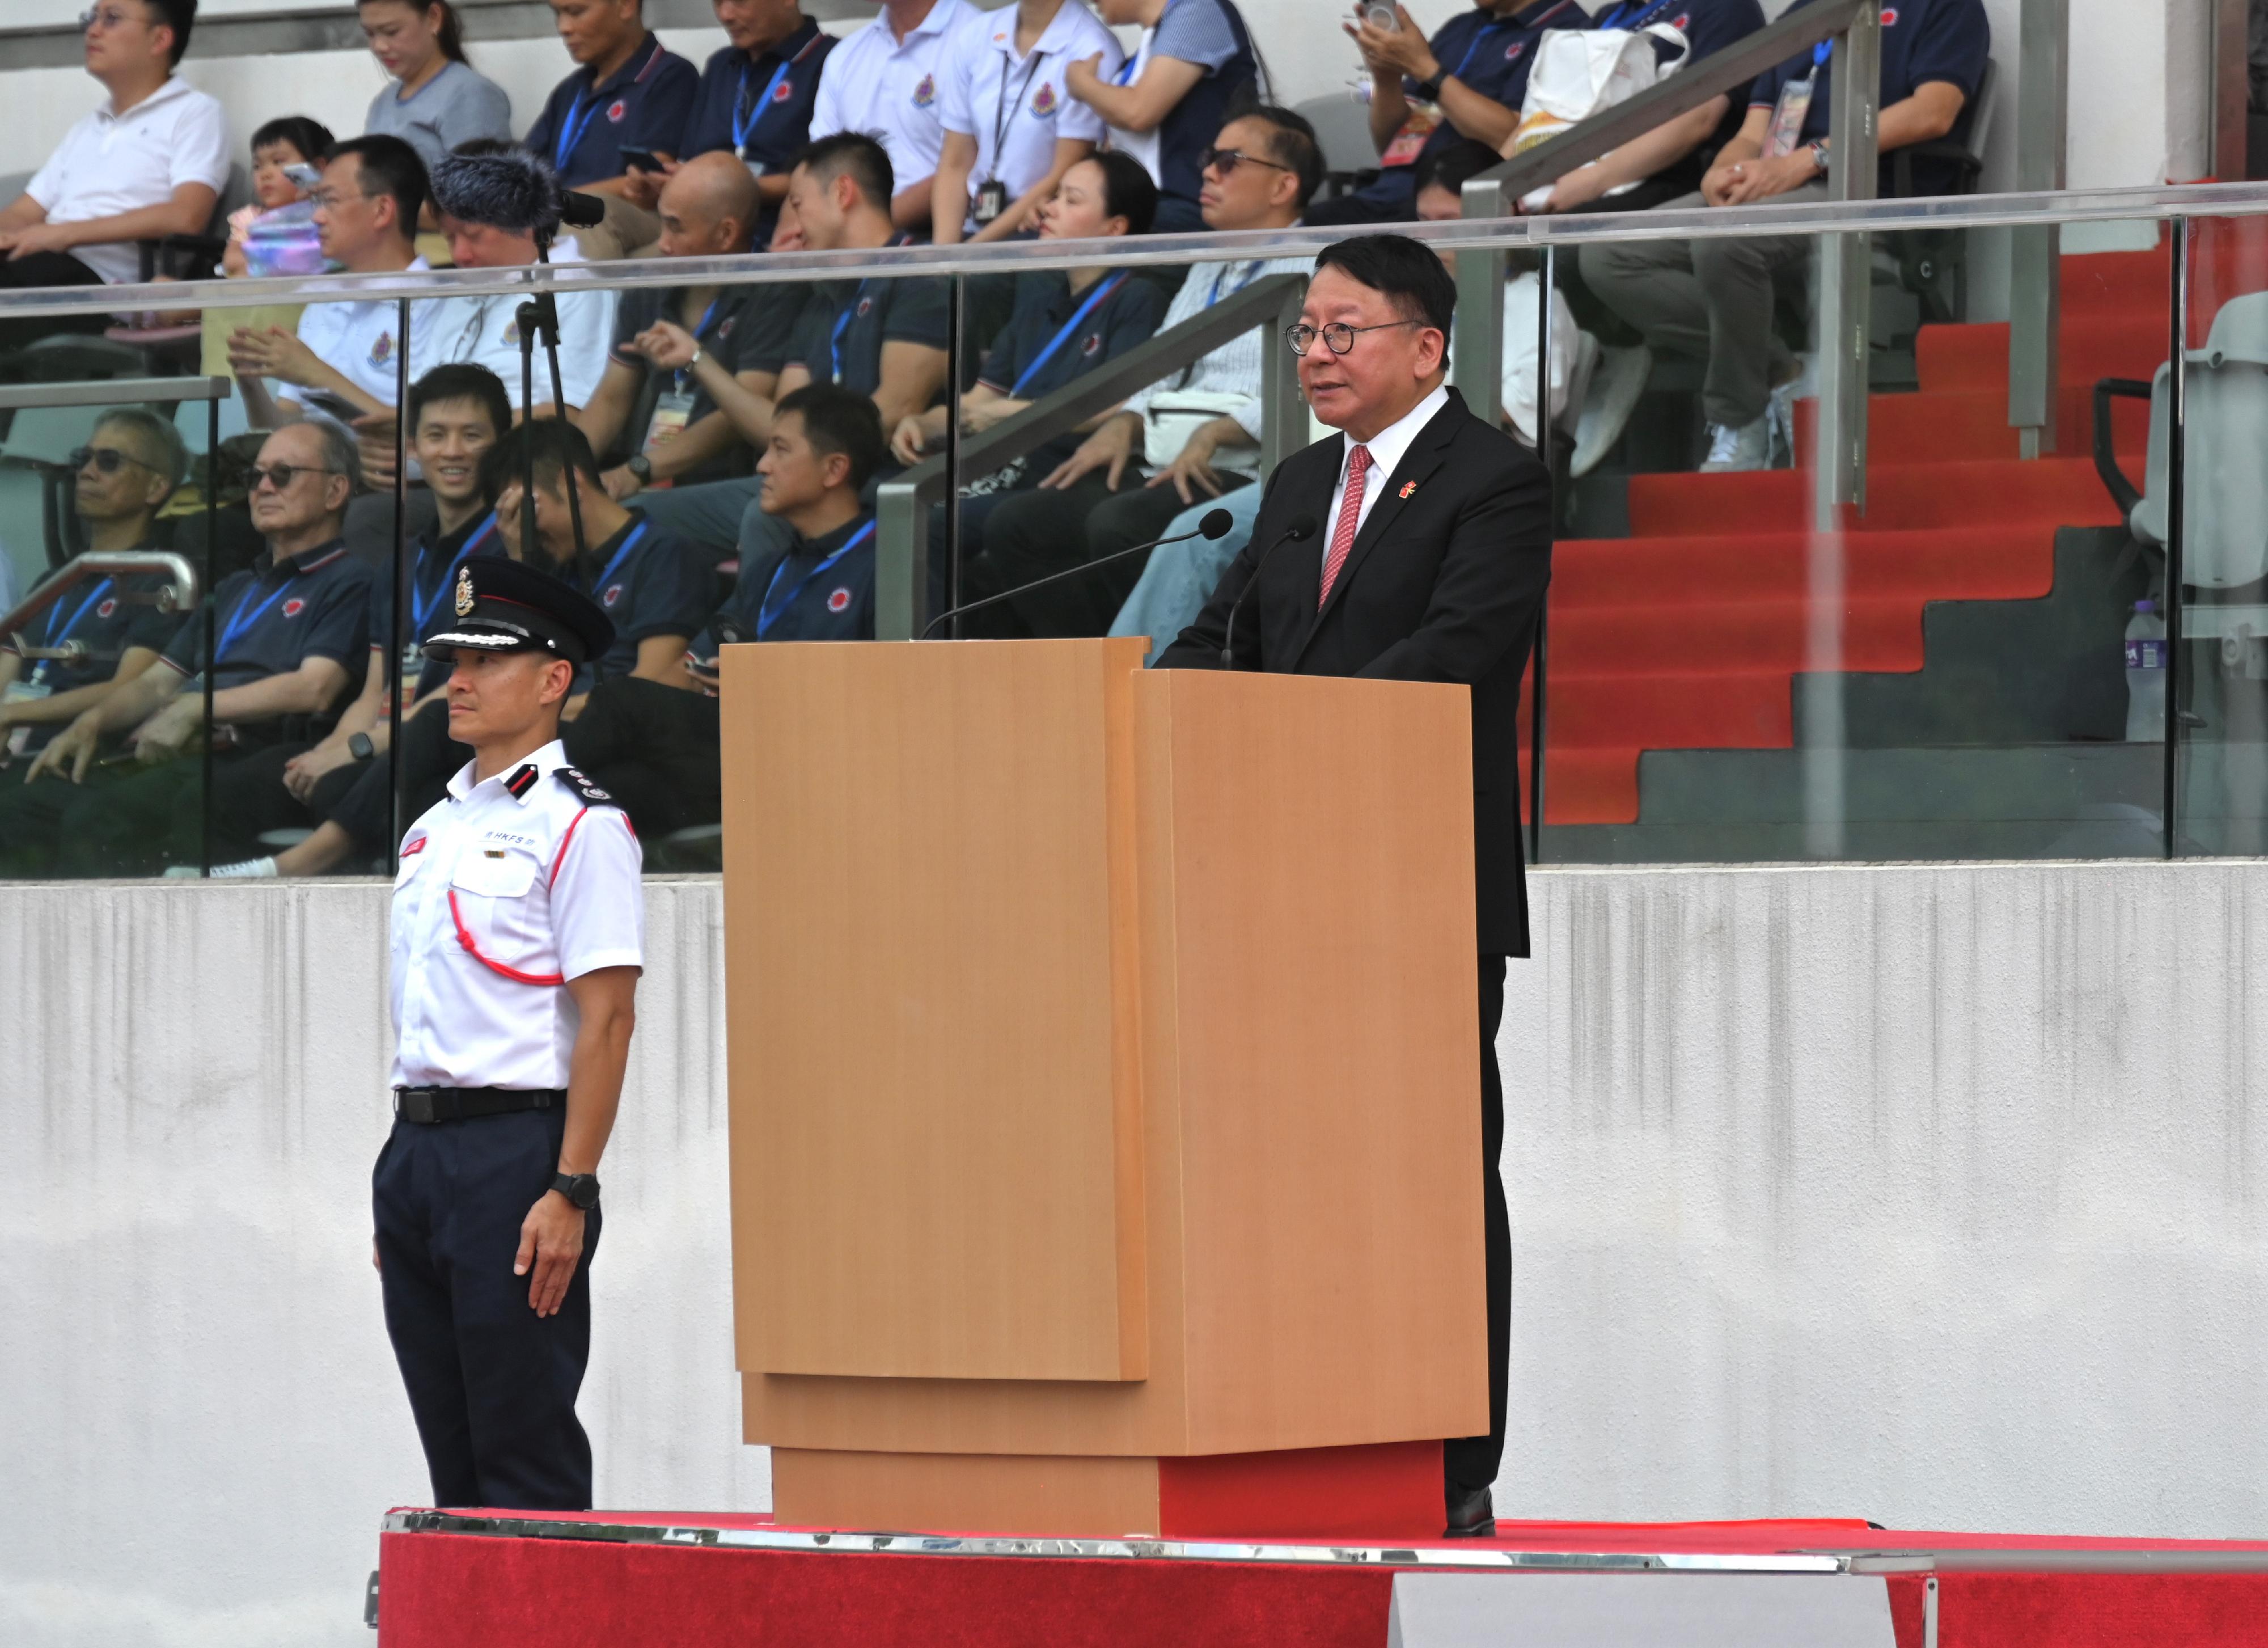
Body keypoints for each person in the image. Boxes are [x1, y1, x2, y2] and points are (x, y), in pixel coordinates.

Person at [1156, 233, 1551, 1540]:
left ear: (1427, 345)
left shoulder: (1493, 482)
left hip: (1417, 877)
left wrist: (1284, 722)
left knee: (1432, 1170)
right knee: (1296, 1168)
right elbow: (1235, 639)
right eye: (1305, 334)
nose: (1316, 355)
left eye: (1344, 331)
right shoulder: (1295, 483)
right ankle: (1313, 1422)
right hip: (1278, 885)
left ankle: (1455, 1456)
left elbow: (1461, 649)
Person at [375, 553, 642, 1514]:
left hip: (516, 1155)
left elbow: (607, 1019)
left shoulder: (581, 826)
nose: (456, 680)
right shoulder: (436, 824)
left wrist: (570, 1186)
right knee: (453, 1454)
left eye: (486, 661)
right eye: (452, 659)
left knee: (522, 1445)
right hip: (420, 1154)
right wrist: (408, 1175)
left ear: (553, 680)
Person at [1580, 0, 1990, 471]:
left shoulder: (1945, 5)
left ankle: (1740, 415)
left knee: (1724, 242)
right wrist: (1726, 170)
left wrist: (1808, 160)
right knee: (1609, 255)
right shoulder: (1802, 14)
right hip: (1780, 185)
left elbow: (1933, 113)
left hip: (1870, 189)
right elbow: (1754, 134)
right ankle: (1783, 369)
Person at [961, 106, 1318, 638]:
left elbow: (1310, 383)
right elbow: (1159, 364)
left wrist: (1221, 430)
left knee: (1118, 526)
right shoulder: (1209, 262)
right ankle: (1091, 665)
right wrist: (1124, 422)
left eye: (1229, 162)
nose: (1208, 173)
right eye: (1207, 159)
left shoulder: (1324, 265)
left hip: (1249, 462)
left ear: (1283, 185)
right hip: (1165, 452)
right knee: (1019, 526)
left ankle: (1157, 664)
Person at [7, 421, 373, 878]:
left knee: (103, 818)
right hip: (178, 746)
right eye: (254, 477)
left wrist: (197, 708)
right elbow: (157, 682)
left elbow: (314, 688)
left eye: (282, 475)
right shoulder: (238, 585)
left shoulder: (351, 579)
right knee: (23, 802)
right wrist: (92, 722)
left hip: (266, 750)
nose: (262, 487)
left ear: (336, 490)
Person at [192, 365, 512, 880]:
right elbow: (374, 692)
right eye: (435, 435)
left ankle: (287, 872)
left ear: (500, 446)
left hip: (463, 744)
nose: (452, 451)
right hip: (388, 738)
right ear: (412, 448)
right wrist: (323, 753)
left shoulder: (509, 552)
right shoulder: (401, 561)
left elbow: (473, 690)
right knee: (247, 786)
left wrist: (356, 749)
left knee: (347, 783)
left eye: (471, 435)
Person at [631, 133, 949, 554]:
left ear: (842, 192)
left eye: (798, 204)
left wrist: (795, 469)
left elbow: (891, 414)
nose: (793, 227)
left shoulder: (918, 275)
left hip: (884, 483)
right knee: (629, 516)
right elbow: (780, 425)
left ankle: (750, 622)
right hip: (804, 480)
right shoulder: (820, 295)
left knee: (767, 515)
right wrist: (697, 360)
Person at [894, 151, 1163, 578]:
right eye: (1054, 196)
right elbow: (980, 400)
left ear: (1115, 228)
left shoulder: (1136, 299)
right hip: (1004, 463)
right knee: (884, 498)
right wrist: (925, 423)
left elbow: (1114, 406)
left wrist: (998, 416)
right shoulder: (1041, 303)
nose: (1049, 208)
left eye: (1071, 201)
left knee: (927, 523)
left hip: (1060, 472)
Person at [0, 0, 228, 350]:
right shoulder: (89, 127)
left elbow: (187, 216)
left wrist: (64, 235)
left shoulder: (195, 113)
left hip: (101, 287)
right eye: (92, 18)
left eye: (112, 19)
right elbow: (24, 212)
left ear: (159, 39)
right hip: (38, 266)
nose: (93, 30)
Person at [575, 154, 794, 508]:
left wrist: (637, 471)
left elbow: (735, 419)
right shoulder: (649, 288)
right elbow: (612, 399)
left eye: (676, 227)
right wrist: (563, 470)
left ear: (726, 234)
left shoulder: (773, 295)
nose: (662, 243)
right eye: (661, 223)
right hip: (642, 478)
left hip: (722, 489)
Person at [0, 412, 190, 779]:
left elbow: (128, 688)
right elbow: (8, 662)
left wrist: (12, 714)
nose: (87, 472)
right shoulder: (55, 579)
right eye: (82, 459)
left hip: (77, 761)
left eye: (109, 462)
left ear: (156, 488)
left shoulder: (160, 583)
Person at [1311, 0, 1590, 228]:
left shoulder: (1570, 32)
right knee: (1308, 228)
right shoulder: (1461, 28)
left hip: (1450, 207)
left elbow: (1518, 139)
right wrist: (1387, 79)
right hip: (1384, 193)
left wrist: (1426, 69)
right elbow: (1391, 145)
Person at [226, 134, 431, 431]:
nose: (317, 217)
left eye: (329, 201)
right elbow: (285, 429)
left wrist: (316, 373)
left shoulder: (439, 306)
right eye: (316, 202)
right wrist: (251, 384)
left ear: (382, 210)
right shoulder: (325, 303)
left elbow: (430, 437)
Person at [1513, 0, 1766, 217]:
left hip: (1668, 174)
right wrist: (1501, 186)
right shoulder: (1609, 16)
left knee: (1559, 235)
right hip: (1582, 165)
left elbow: (1700, 121)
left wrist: (1596, 179)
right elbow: (1547, 111)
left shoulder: (1726, 7)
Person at [692, 383, 886, 661]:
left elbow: (897, 686)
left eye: (780, 450)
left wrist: (759, 687)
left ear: (834, 470)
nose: (763, 466)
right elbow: (698, 661)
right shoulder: (770, 569)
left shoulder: (889, 571)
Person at [929, 0, 1122, 245]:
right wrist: (943, 256)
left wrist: (970, 254)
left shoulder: (1092, 47)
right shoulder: (978, 33)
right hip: (973, 227)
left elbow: (1065, 170)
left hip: (1040, 229)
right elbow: (955, 163)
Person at [1065, 0, 1258, 234]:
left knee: (1053, 259)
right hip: (1144, 206)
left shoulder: (1199, 8)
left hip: (1189, 204)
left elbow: (1138, 112)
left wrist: (1081, 83)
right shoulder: (1147, 49)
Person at [650, 0, 837, 238]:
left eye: (740, 2)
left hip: (786, 230)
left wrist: (734, 188)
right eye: (718, 3)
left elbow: (833, 177)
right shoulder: (722, 65)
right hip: (699, 226)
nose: (726, 15)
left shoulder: (832, 61)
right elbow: (690, 161)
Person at [807, 0, 985, 233]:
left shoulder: (980, 37)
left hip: (955, 238)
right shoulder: (845, 55)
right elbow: (820, 171)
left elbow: (978, 164)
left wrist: (873, 226)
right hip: (855, 241)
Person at [522, 0, 699, 195]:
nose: (564, 27)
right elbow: (524, 166)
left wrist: (557, 206)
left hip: (608, 219)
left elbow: (649, 183)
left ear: (626, 6)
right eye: (557, 14)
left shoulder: (669, 77)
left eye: (576, 12)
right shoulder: (571, 89)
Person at [358, 0, 514, 176]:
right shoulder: (384, 101)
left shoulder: (471, 94)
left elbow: (482, 189)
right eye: (370, 34)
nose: (379, 46)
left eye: (392, 32)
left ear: (434, 18)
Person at [222, 116, 336, 280]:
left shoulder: (329, 213)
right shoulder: (251, 219)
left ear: (317, 167)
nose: (265, 174)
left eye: (278, 161)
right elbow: (232, 262)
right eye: (257, 166)